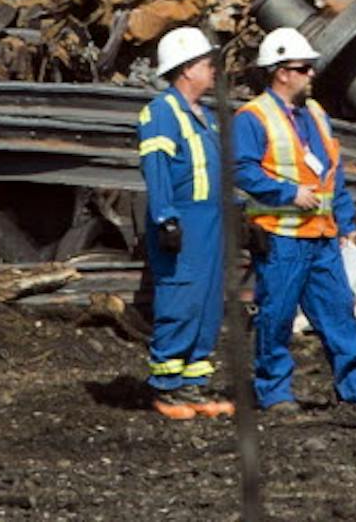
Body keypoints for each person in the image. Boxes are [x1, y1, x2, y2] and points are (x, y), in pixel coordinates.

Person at [232, 26, 356, 416]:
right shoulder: (252, 117)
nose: (311, 75)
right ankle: (274, 392)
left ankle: (353, 384)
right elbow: (240, 168)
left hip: (321, 236)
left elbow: (333, 172)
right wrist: (287, 194)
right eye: (304, 68)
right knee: (277, 316)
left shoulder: (316, 114)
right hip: (283, 238)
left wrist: (345, 219)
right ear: (281, 72)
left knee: (338, 312)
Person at [139, 26, 231, 421]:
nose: (214, 71)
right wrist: (165, 218)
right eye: (208, 64)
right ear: (186, 69)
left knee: (207, 302)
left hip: (211, 221)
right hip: (183, 218)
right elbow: (156, 167)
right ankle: (166, 387)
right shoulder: (162, 112)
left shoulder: (205, 117)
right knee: (181, 296)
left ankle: (193, 382)